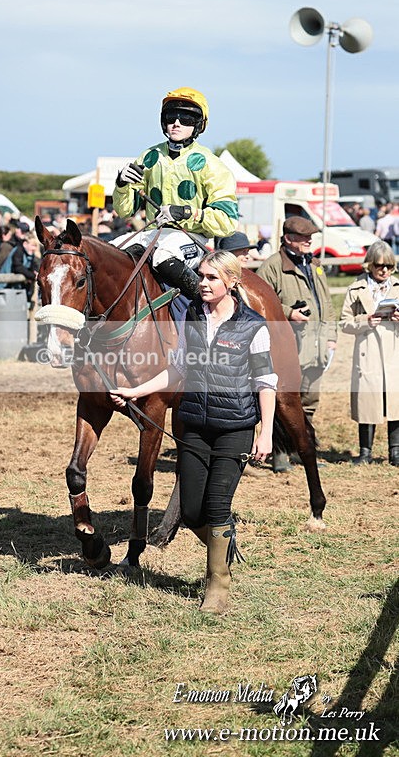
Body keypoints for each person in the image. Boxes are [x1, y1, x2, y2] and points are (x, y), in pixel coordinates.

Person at [110, 250, 277, 615]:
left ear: (231, 282)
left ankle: (218, 584)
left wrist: (265, 433)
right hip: (195, 425)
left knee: (217, 505)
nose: (202, 283)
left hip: (235, 427)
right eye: (201, 276)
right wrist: (135, 392)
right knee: (190, 510)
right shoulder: (191, 316)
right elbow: (178, 367)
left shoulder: (253, 326)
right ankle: (225, 546)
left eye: (211, 278)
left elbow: (265, 381)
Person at [111, 87, 238, 298]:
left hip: (193, 237)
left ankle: (201, 308)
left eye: (186, 118)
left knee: (164, 255)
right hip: (154, 233)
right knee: (109, 252)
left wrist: (187, 212)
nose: (177, 123)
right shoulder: (149, 157)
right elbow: (124, 211)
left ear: (198, 124)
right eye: (172, 116)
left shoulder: (212, 165)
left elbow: (228, 222)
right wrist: (121, 185)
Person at [257, 216, 337, 472]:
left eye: (310, 236)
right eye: (304, 236)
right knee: (286, 400)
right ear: (289, 238)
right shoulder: (271, 267)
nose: (309, 240)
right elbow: (258, 304)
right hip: (288, 346)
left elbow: (326, 303)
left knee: (310, 399)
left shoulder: (315, 264)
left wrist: (332, 335)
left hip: (318, 345)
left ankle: (304, 449)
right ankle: (281, 455)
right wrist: (288, 312)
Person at [340, 241, 399, 466]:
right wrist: (364, 320)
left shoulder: (397, 287)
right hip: (368, 349)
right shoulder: (356, 288)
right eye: (379, 266)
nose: (384, 271)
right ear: (370, 265)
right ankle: (365, 451)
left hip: (394, 350)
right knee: (367, 399)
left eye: (389, 267)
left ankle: (395, 451)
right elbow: (344, 322)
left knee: (395, 399)